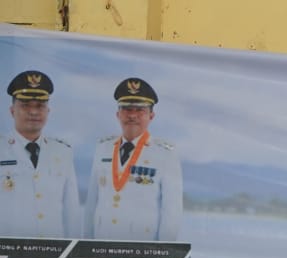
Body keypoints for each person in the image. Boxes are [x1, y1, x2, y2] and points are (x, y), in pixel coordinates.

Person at [84, 77, 182, 241]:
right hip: (102, 244)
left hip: (140, 246)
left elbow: (171, 212)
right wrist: (86, 246)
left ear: (151, 115)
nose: (132, 115)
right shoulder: (103, 148)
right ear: (118, 114)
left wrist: (164, 252)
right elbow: (92, 203)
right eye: (127, 109)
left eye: (140, 110)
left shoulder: (165, 154)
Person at [1, 70, 80, 237]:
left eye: (40, 106)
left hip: (53, 250)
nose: (34, 112)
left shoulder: (62, 152)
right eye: (25, 105)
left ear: (48, 111)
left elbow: (71, 212)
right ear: (12, 111)